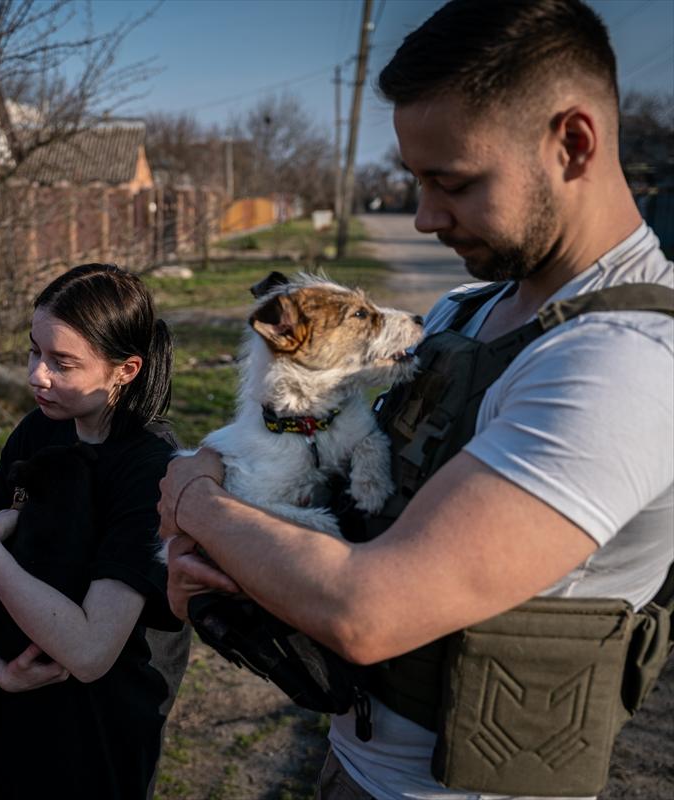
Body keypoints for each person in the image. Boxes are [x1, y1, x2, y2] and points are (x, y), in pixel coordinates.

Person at [158, 2, 673, 798]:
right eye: (417, 182)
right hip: (355, 757)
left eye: (454, 182)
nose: (427, 217)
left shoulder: (624, 365)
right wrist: (215, 475)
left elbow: (368, 612)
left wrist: (196, 501)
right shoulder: (466, 311)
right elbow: (312, 440)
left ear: (573, 143)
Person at [0, 263, 190, 800]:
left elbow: (89, 650)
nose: (37, 375)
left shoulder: (152, 469)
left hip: (96, 738)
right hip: (13, 711)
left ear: (125, 369)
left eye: (62, 362)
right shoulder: (40, 429)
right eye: (35, 352)